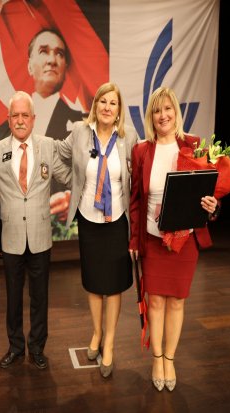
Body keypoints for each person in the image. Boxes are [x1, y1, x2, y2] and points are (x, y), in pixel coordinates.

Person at [129, 86, 219, 392]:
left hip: (185, 241)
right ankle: (157, 359)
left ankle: (170, 358)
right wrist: (133, 240)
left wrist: (213, 206)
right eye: (157, 110)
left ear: (176, 113)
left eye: (167, 109)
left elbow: (211, 191)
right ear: (151, 117)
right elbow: (135, 200)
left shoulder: (194, 146)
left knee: (177, 302)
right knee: (155, 301)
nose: (162, 115)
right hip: (153, 239)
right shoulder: (141, 151)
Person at [0, 91, 70, 370]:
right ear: (8, 119)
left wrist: (95, 176)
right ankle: (16, 347)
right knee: (13, 298)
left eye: (24, 115)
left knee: (40, 298)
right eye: (15, 115)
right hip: (12, 238)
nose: (20, 120)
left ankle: (37, 348)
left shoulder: (47, 146)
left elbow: (67, 176)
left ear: (33, 118)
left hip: (40, 237)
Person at [55, 82, 138, 378]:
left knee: (113, 284)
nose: (107, 107)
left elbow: (138, 175)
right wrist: (74, 183)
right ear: (95, 105)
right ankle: (96, 333)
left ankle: (110, 343)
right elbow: (57, 155)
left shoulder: (129, 138)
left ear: (119, 110)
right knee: (93, 282)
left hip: (116, 221)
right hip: (89, 219)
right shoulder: (80, 132)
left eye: (113, 103)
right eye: (103, 101)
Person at [0, 28, 83, 239]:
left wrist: (72, 198)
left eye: (59, 54)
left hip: (61, 237)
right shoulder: (2, 131)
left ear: (65, 67)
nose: (52, 60)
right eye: (44, 51)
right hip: (14, 233)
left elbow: (88, 177)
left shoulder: (80, 126)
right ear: (29, 65)